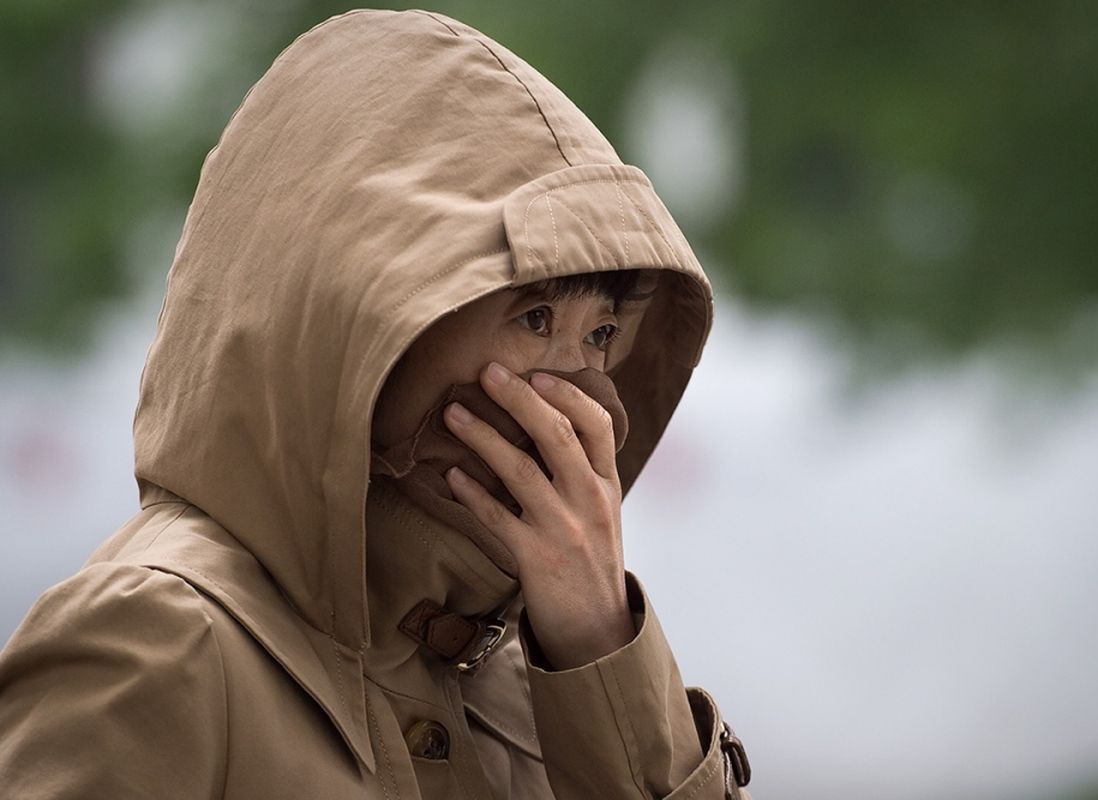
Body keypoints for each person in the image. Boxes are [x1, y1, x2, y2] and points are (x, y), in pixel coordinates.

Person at [0, 9, 751, 799]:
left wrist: (601, 649)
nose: (581, 401)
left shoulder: (527, 688)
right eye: (535, 321)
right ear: (367, 323)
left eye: (601, 335)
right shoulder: (156, 640)